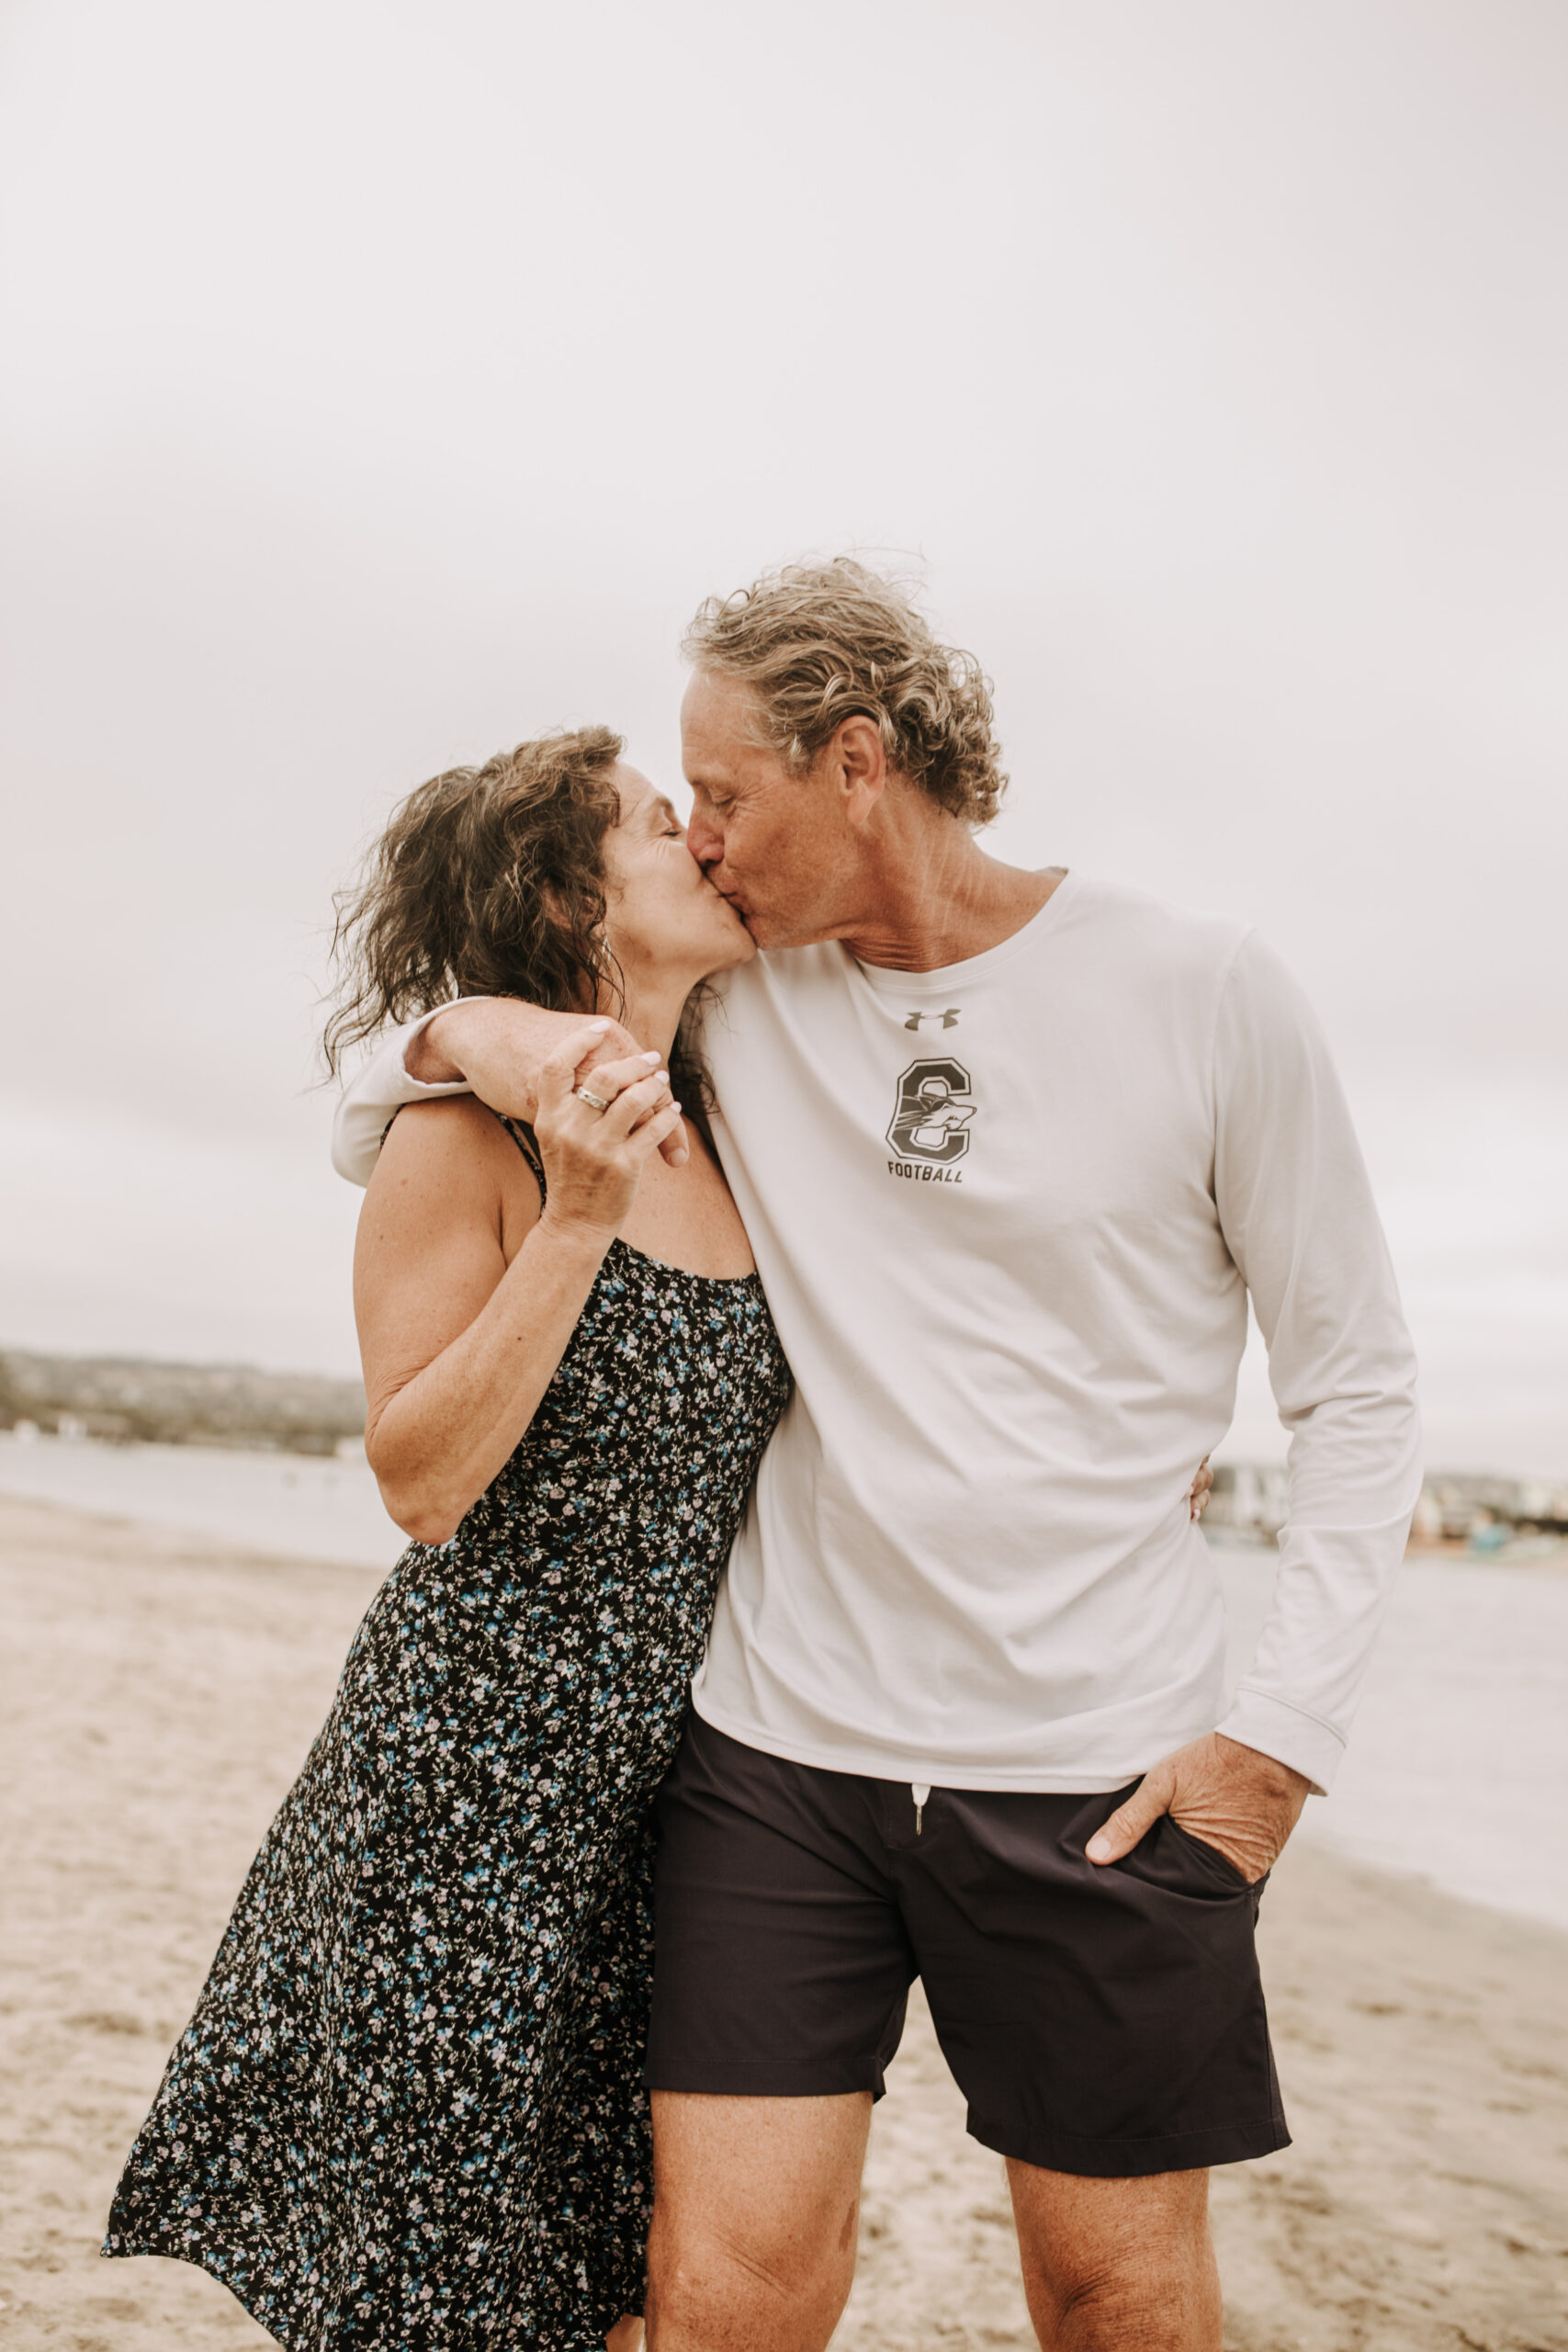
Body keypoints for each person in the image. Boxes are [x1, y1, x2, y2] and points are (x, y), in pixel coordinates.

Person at [333, 560, 1421, 2352]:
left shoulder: (1204, 988)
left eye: (725, 794)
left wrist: (1279, 1741)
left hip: (1102, 1759)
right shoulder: (745, 1002)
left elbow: (1358, 1384)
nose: (696, 837)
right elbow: (446, 1049)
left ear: (853, 763)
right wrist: (467, 1032)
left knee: (1116, 2293)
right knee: (721, 2296)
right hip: (777, 1756)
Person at [103, 728, 794, 2350]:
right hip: (467, 1771)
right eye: (647, 825)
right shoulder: (455, 1142)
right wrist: (574, 1218)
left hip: (678, 1783)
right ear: (565, 895)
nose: (695, 836)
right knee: (429, 2285)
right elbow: (418, 1479)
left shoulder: (746, 1119)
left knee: (609, 2260)